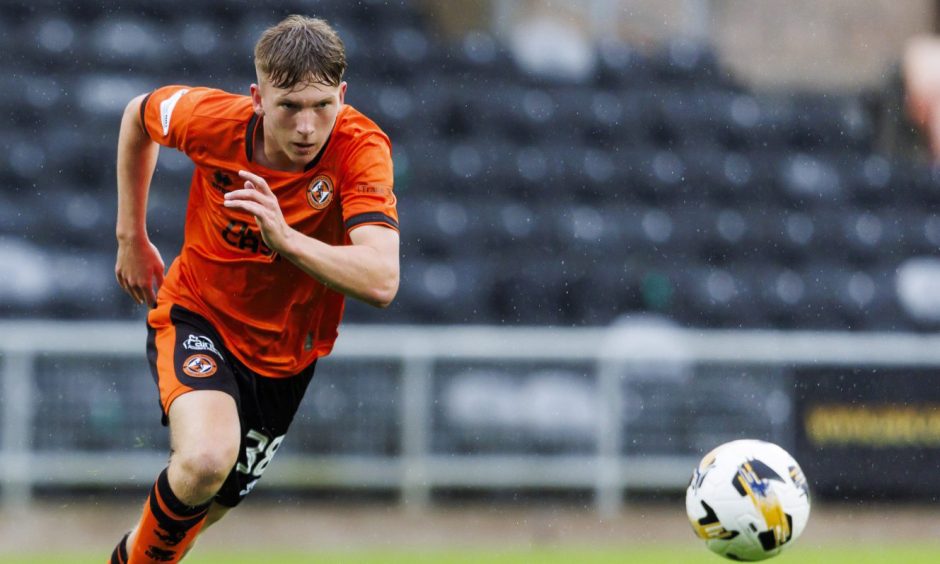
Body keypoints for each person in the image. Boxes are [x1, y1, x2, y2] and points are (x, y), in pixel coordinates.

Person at [109, 14, 400, 563]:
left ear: (343, 94)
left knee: (202, 509)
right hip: (199, 315)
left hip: (286, 359)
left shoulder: (362, 150)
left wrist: (284, 238)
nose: (307, 126)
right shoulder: (210, 121)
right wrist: (131, 236)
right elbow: (138, 116)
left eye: (322, 105)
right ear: (258, 98)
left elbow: (382, 279)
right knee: (204, 460)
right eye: (289, 106)